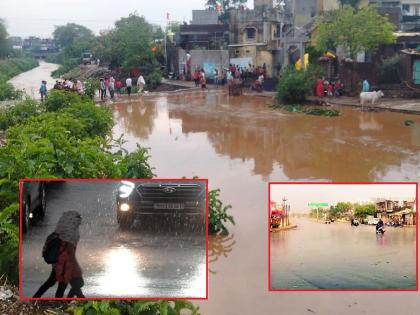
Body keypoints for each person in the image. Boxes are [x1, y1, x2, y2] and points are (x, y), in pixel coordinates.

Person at [33, 211, 84, 298]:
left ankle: (36, 298)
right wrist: (76, 268)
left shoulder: (59, 233)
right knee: (72, 284)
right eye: (77, 219)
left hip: (59, 265)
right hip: (65, 266)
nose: (79, 221)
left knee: (55, 283)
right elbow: (70, 254)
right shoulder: (70, 236)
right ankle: (63, 302)